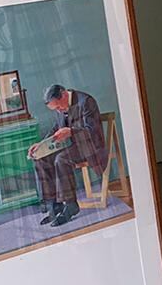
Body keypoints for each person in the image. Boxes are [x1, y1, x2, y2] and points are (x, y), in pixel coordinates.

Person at [30, 84, 108, 227]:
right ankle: (55, 204)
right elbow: (56, 129)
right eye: (56, 109)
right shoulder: (61, 106)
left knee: (61, 159)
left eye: (58, 107)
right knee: (40, 159)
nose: (59, 110)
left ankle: (71, 204)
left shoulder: (86, 101)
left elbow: (93, 131)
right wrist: (40, 146)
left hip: (91, 146)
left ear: (64, 94)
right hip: (74, 146)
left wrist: (71, 131)